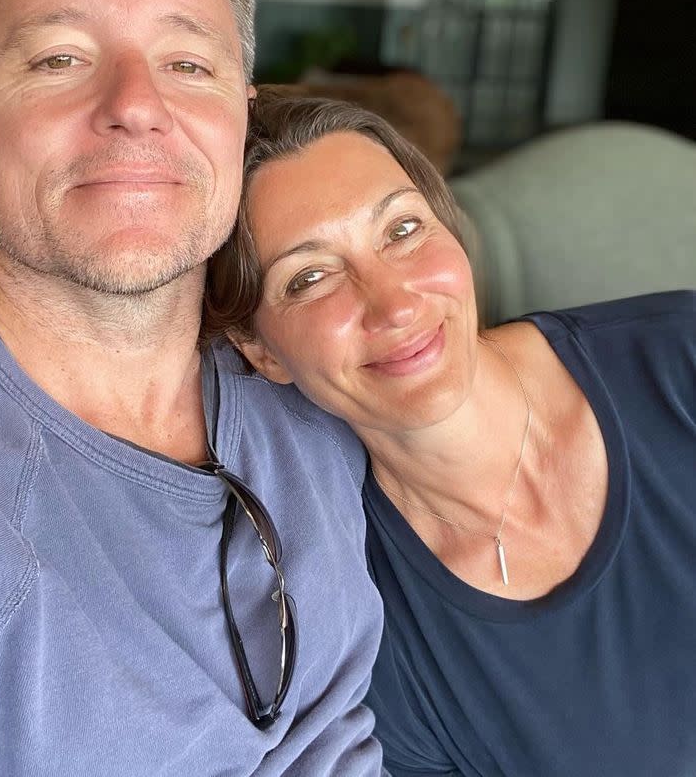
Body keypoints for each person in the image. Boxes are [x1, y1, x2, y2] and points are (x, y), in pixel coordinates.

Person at [0, 0, 386, 775]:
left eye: (188, 64)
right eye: (61, 57)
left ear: (240, 121)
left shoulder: (312, 388)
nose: (134, 105)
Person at [205, 86, 696, 777]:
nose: (394, 303)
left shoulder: (679, 361)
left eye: (402, 230)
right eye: (310, 277)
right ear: (258, 349)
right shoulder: (357, 624)